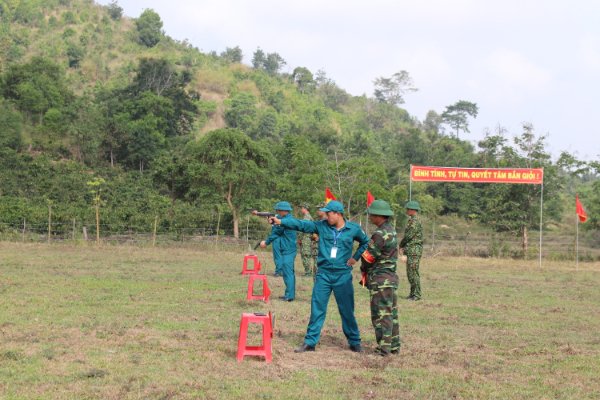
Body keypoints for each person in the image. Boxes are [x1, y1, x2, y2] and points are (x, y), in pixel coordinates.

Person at [270, 200, 369, 353]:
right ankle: (310, 342)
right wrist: (281, 221)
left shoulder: (353, 229)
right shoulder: (321, 226)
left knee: (347, 310)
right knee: (317, 309)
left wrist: (355, 258)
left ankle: (354, 342)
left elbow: (365, 242)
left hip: (342, 276)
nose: (326, 216)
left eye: (328, 213)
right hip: (323, 275)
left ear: (338, 214)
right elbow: (301, 224)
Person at [360, 200, 400, 356]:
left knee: (380, 315)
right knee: (391, 314)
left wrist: (363, 267)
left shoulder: (379, 234)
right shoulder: (392, 230)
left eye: (372, 215)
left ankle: (384, 350)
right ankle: (393, 346)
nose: (370, 217)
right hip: (391, 278)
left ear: (378, 216)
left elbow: (368, 257)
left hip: (380, 279)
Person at [259, 201, 297, 301]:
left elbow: (276, 233)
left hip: (288, 250)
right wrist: (273, 222)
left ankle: (289, 296)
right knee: (288, 272)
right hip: (287, 248)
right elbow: (278, 227)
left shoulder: (286, 221)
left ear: (284, 211)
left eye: (278, 210)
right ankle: (289, 294)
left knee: (288, 272)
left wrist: (266, 242)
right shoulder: (285, 219)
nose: (277, 212)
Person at [399, 200, 423, 301]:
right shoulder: (412, 220)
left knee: (413, 273)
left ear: (413, 210)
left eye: (408, 209)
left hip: (414, 250)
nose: (406, 210)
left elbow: (409, 235)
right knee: (410, 273)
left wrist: (401, 244)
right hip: (411, 249)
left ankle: (416, 295)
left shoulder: (415, 221)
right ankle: (412, 293)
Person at [299, 204, 315, 276]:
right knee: (306, 255)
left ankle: (308, 272)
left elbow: (302, 229)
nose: (301, 210)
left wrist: (300, 238)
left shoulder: (306, 218)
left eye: (302, 208)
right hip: (307, 238)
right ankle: (308, 271)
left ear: (305, 208)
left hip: (305, 238)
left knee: (305, 255)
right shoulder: (309, 217)